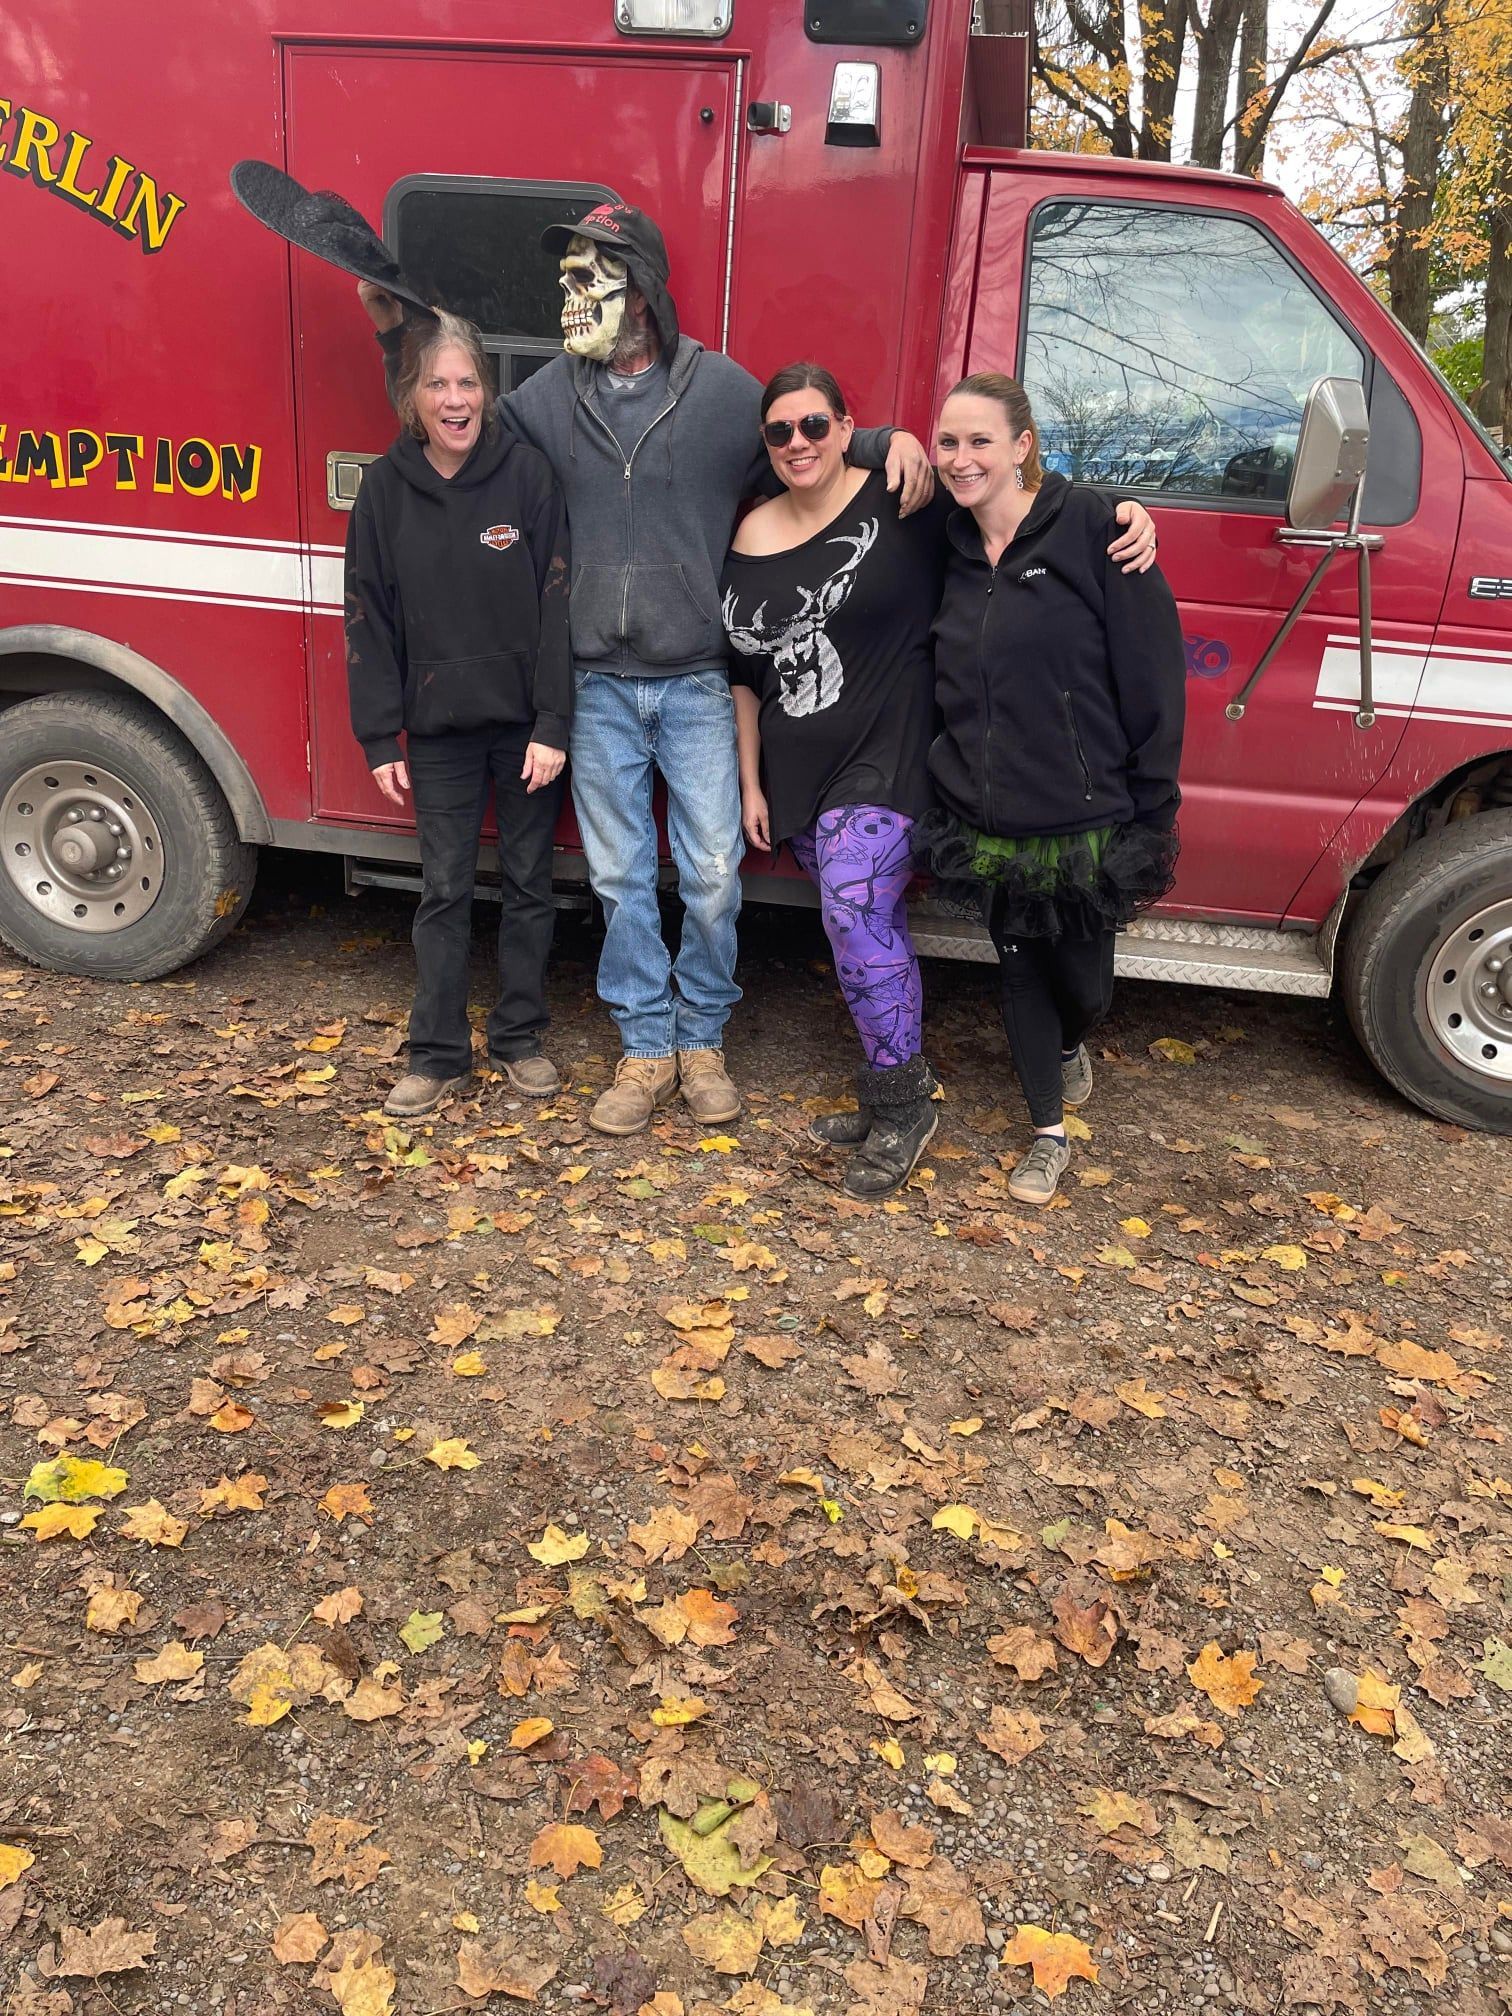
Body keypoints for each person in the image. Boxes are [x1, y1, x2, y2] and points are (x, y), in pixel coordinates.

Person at [359, 202, 937, 1137]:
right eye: (569, 273)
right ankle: (646, 1046)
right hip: (596, 686)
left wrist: (883, 443)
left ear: (644, 289)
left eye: (593, 272)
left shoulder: (718, 392)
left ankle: (702, 1037)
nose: (573, 290)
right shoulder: (550, 395)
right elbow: (453, 418)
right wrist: (399, 342)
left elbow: (806, 447)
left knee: (711, 872)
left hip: (701, 681)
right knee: (624, 877)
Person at [721, 362, 1163, 1197]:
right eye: (779, 431)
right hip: (796, 764)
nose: (797, 443)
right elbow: (745, 671)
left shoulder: (904, 502)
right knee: (852, 926)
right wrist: (750, 782)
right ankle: (890, 1082)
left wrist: (1122, 509)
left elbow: (1011, 505)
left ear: (848, 425)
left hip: (890, 749)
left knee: (854, 906)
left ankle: (902, 1105)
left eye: (815, 424)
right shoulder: (748, 534)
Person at [920, 372, 1185, 1205]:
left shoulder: (1096, 530)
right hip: (984, 814)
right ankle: (1046, 1133)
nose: (962, 460)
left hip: (1086, 814)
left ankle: (1074, 1047)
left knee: (1086, 987)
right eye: (949, 443)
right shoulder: (945, 542)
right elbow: (839, 464)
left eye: (981, 442)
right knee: (1022, 968)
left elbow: (1153, 680)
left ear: (1023, 446)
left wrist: (1155, 805)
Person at [344, 310, 570, 1117]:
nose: (455, 398)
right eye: (437, 383)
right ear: (413, 398)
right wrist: (378, 733)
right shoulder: (383, 489)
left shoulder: (529, 477)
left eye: (467, 381)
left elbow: (557, 606)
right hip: (435, 732)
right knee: (442, 890)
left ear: (489, 389)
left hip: (521, 732)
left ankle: (520, 1037)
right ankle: (437, 1051)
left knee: (528, 885)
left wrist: (553, 723)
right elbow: (366, 611)